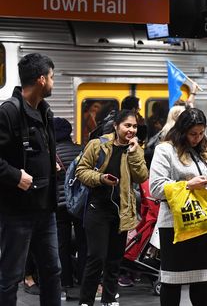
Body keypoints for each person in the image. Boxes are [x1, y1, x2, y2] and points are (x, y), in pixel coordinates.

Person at [0, 53, 61, 306]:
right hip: (17, 213)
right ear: (41, 80)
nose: (53, 82)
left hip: (46, 210)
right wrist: (16, 176)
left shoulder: (45, 112)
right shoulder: (8, 113)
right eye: (52, 77)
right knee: (9, 277)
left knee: (52, 272)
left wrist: (52, 163)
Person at [149, 108, 207, 306]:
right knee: (172, 282)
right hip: (175, 227)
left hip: (203, 225)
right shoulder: (165, 150)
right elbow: (155, 188)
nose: (197, 138)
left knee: (201, 282)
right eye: (193, 134)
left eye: (201, 133)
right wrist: (188, 185)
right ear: (182, 131)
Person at [76, 109, 148, 306]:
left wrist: (134, 153)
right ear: (116, 126)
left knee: (115, 260)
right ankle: (86, 301)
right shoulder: (98, 145)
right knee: (96, 257)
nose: (131, 130)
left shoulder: (135, 148)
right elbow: (81, 171)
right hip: (97, 208)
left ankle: (109, 299)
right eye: (127, 125)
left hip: (121, 211)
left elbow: (142, 176)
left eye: (134, 126)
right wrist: (100, 178)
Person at [54, 117, 86, 299]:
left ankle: (65, 279)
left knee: (62, 243)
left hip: (59, 206)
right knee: (83, 242)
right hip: (79, 204)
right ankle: (83, 277)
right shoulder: (81, 150)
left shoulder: (52, 153)